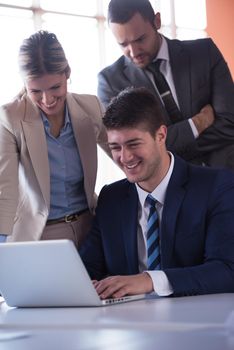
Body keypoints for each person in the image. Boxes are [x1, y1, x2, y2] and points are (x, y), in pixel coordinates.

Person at [79, 87, 234, 298]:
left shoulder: (217, 187)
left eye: (133, 144)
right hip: (128, 323)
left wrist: (149, 280)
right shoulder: (111, 198)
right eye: (115, 147)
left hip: (198, 320)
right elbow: (86, 269)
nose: (124, 158)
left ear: (161, 135)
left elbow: (227, 270)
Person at [0, 30, 110, 246]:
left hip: (91, 227)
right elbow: (5, 191)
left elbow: (124, 154)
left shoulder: (91, 107)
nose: (47, 99)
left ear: (67, 73)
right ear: (25, 84)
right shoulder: (10, 118)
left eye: (55, 88)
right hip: (42, 235)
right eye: (36, 91)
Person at [97, 0, 234, 169]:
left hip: (226, 175)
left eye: (140, 39)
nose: (133, 52)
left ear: (157, 21)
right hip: (171, 190)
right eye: (123, 44)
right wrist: (198, 123)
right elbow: (135, 151)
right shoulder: (111, 82)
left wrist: (166, 152)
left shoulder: (204, 53)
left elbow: (230, 122)